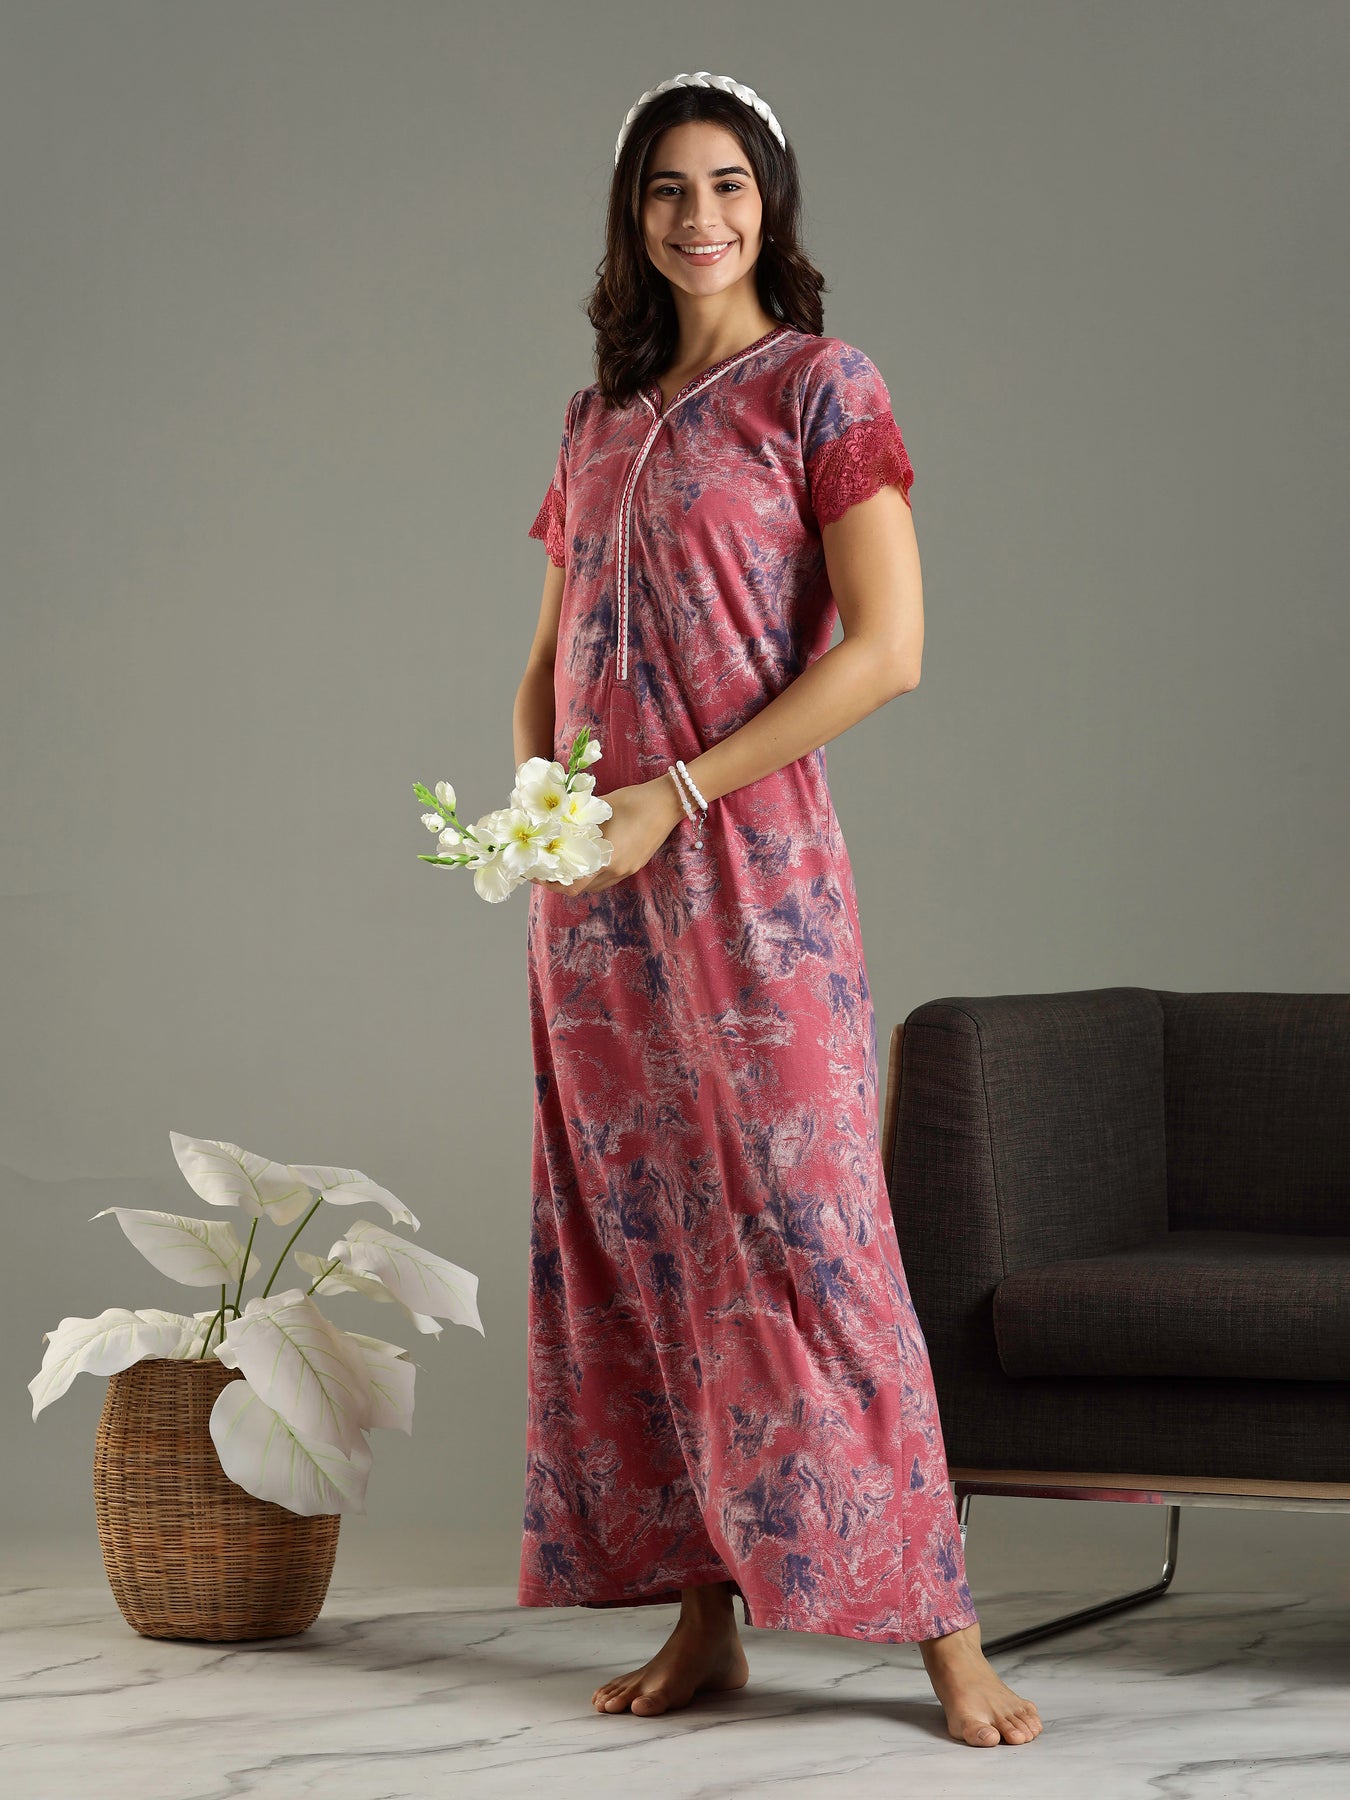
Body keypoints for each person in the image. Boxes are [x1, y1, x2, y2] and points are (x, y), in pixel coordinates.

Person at [512, 71, 1043, 1750]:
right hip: (593, 906)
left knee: (812, 1239)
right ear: (632, 214)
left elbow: (888, 651)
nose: (700, 216)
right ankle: (704, 1622)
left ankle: (946, 1637)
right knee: (647, 1246)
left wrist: (669, 795)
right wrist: (542, 814)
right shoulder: (597, 416)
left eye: (728, 183)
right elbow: (547, 657)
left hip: (750, 883)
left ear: (772, 202)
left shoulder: (823, 387)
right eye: (667, 189)